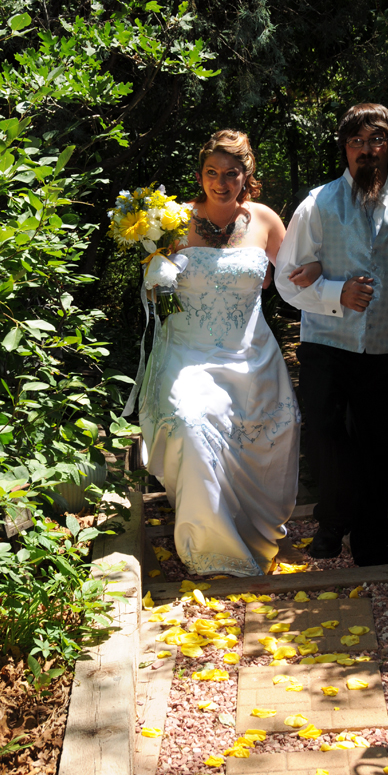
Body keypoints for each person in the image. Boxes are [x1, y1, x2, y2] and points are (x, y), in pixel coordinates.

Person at [275, 102, 388, 566]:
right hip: (325, 347)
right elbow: (286, 277)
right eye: (356, 142)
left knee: (378, 445)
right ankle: (333, 522)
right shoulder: (317, 203)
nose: (365, 151)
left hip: (385, 347)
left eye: (376, 141)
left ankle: (373, 541)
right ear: (344, 150)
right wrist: (336, 293)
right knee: (327, 440)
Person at [139, 129, 303, 576]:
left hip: (250, 356)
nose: (221, 182)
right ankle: (208, 547)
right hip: (187, 354)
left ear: (246, 176)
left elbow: (293, 278)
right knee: (192, 425)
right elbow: (153, 287)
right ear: (200, 176)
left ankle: (247, 530)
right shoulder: (171, 221)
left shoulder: (267, 221)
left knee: (254, 441)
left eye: (231, 174)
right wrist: (156, 277)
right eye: (212, 173)